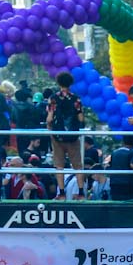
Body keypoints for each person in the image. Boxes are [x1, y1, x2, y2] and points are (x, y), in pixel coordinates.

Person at [47, 71, 85, 200]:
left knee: (59, 165)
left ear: (58, 83)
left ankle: (61, 193)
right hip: (73, 136)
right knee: (78, 165)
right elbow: (80, 117)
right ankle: (81, 193)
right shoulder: (76, 98)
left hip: (58, 135)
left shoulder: (53, 98)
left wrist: (49, 127)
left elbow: (49, 118)